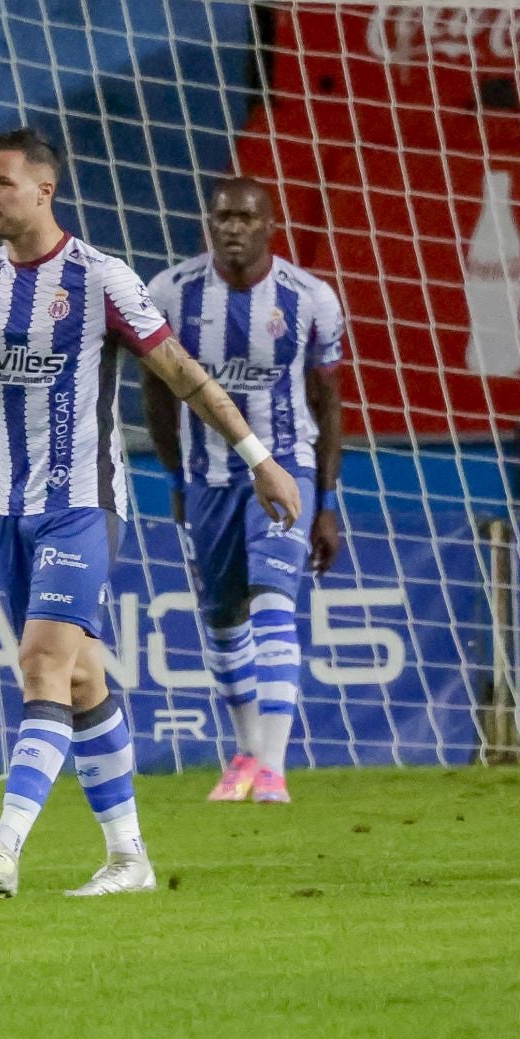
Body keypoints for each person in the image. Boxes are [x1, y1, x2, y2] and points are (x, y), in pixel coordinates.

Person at [0, 129, 302, 897]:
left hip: (81, 506)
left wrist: (260, 461)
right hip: (9, 510)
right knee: (78, 682)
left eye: (2, 184)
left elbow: (180, 372)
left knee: (41, 663)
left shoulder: (101, 278)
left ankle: (5, 846)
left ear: (44, 190)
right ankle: (129, 858)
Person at [146, 177, 346, 804]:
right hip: (208, 477)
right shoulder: (170, 294)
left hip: (287, 468)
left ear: (269, 225)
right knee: (224, 617)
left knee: (273, 603)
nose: (233, 228)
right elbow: (156, 394)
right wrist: (176, 476)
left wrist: (328, 504)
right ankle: (246, 752)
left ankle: (274, 771)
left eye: (245, 218)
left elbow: (328, 400)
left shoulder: (310, 298)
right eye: (222, 217)